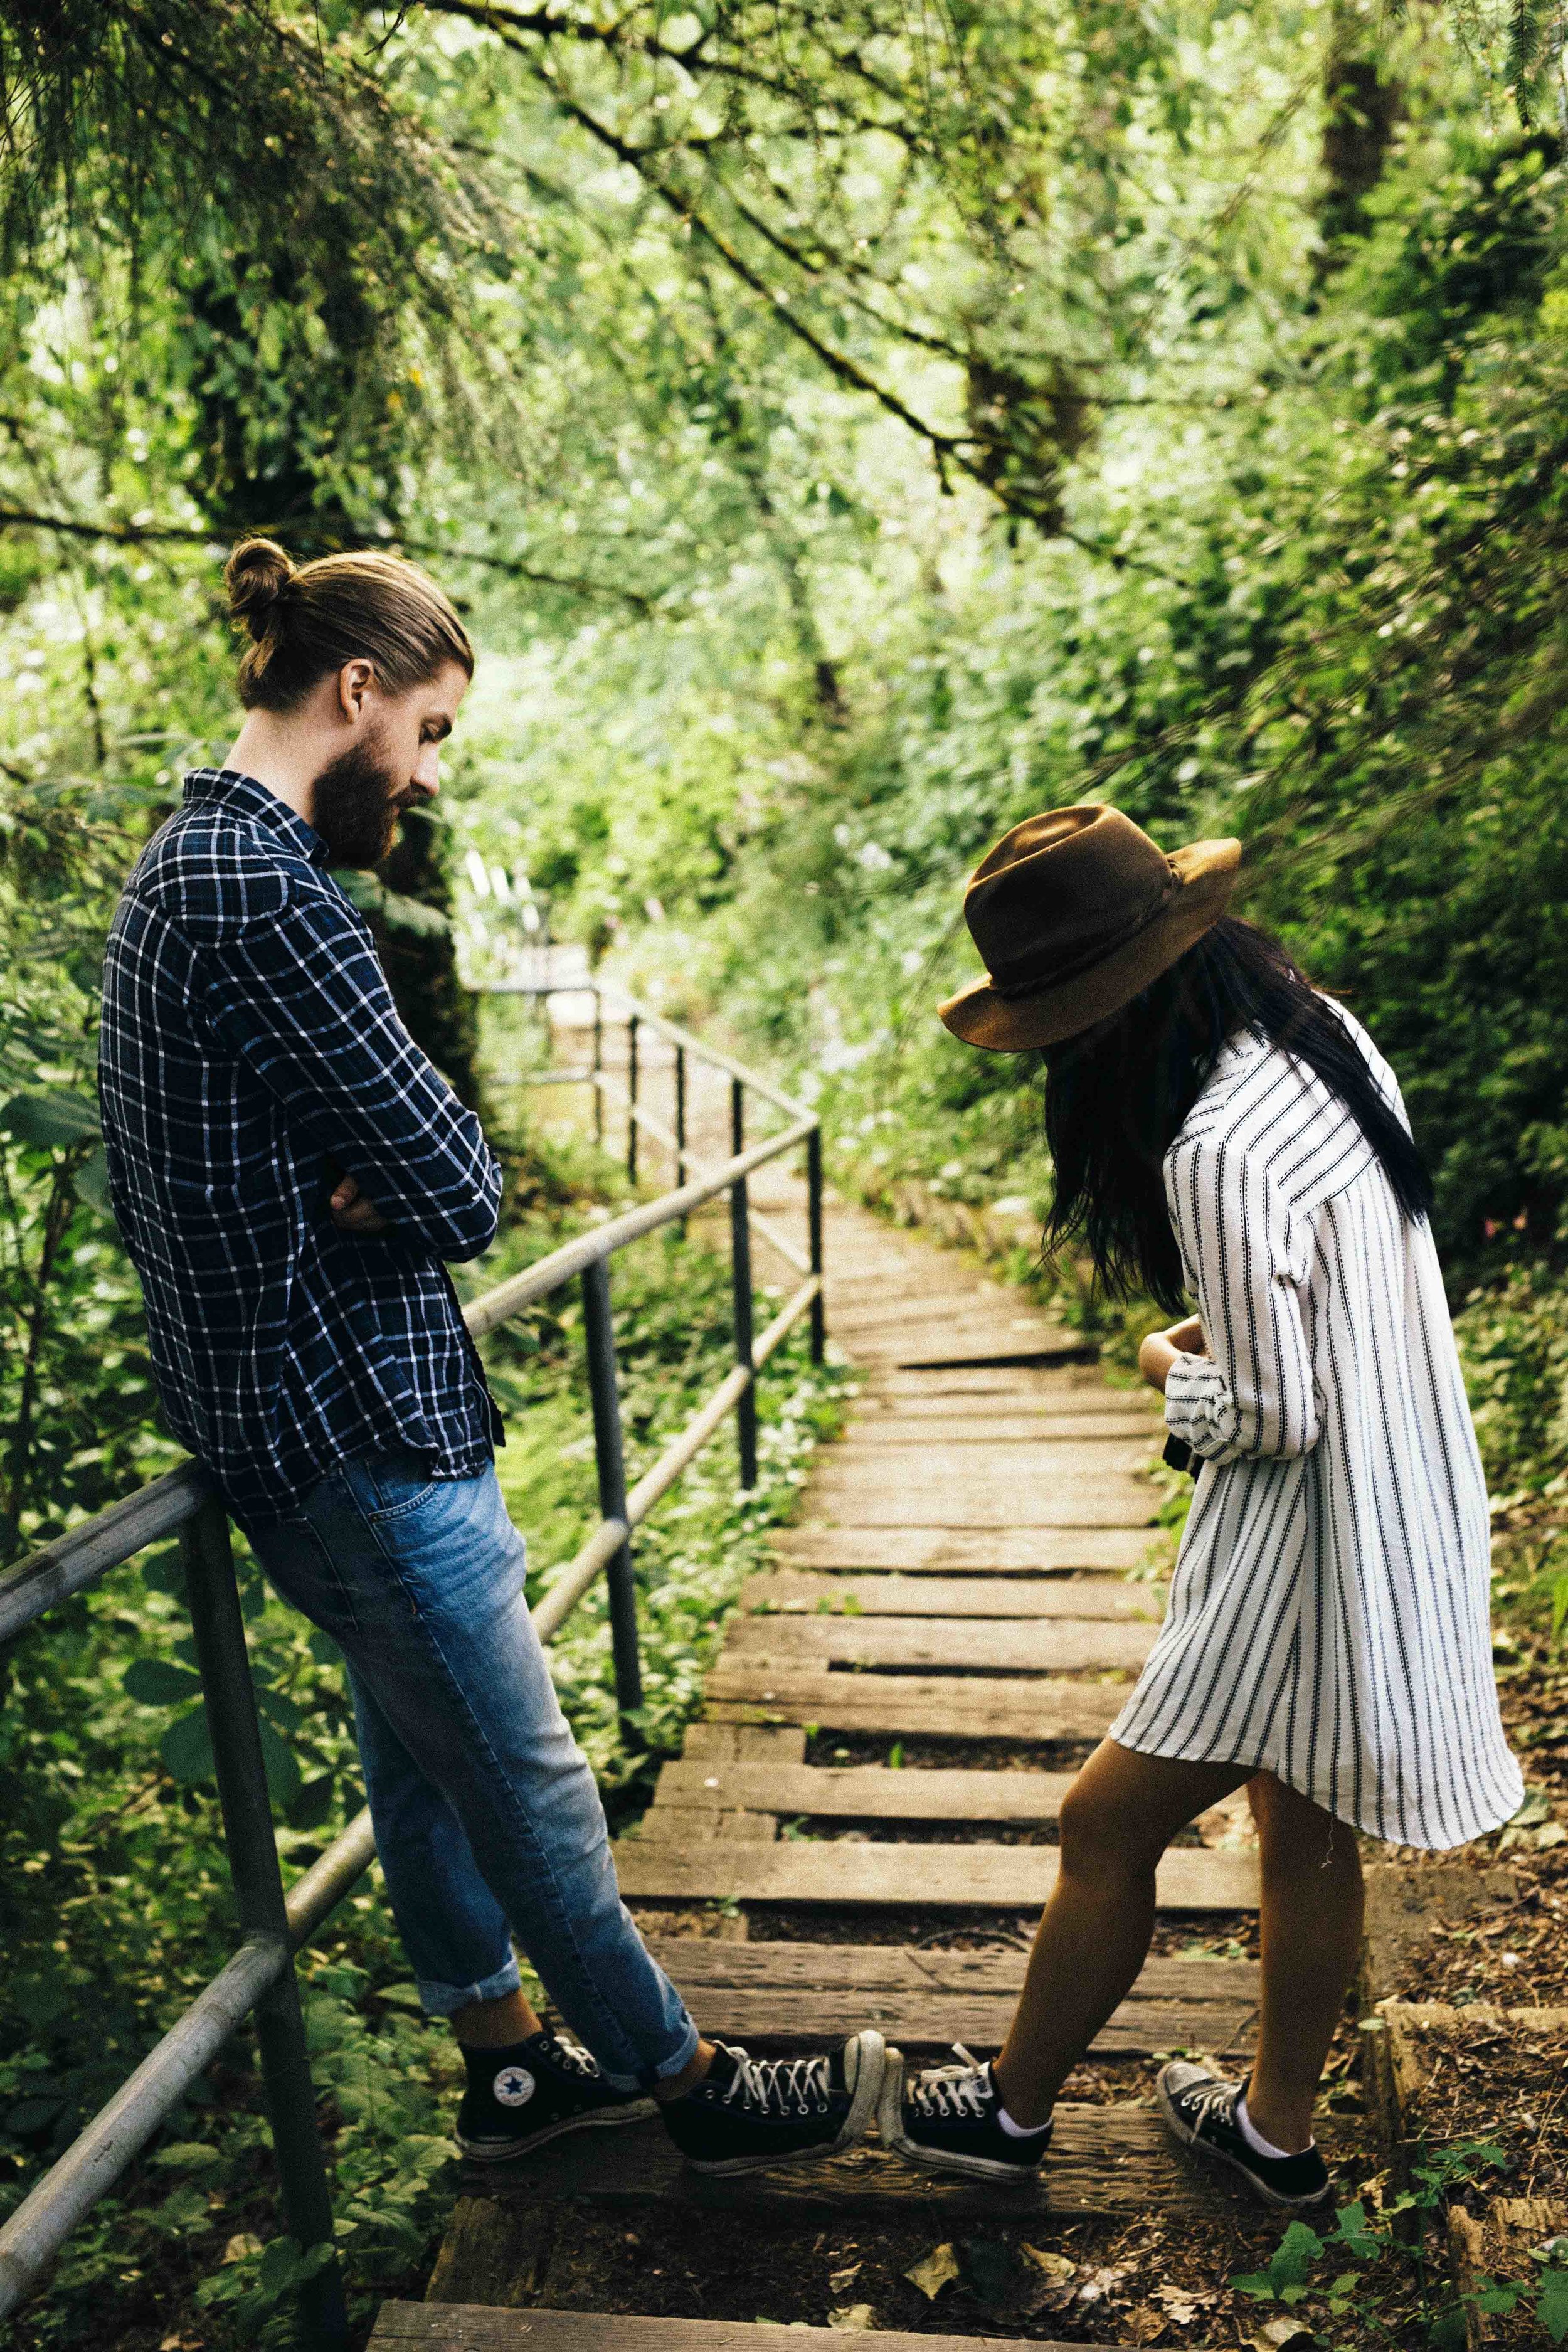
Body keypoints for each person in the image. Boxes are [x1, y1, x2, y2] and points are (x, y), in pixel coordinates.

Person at [98, 536, 883, 2175]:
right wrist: (377, 1183)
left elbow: (384, 1166)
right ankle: (689, 2080)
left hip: (308, 1407)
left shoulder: (190, 856)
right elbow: (460, 1183)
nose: (433, 772)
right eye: (433, 730)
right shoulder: (258, 887)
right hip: (354, 1418)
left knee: (427, 1759)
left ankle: (508, 2062)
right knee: (524, 1775)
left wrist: (343, 1183)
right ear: (358, 689)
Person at [875, 803, 1523, 2209]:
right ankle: (1273, 2139)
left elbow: (1277, 1412)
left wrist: (1171, 1372)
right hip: (1400, 1505)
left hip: (1298, 1547)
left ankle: (1006, 2112)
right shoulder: (1320, 1039)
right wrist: (1219, 1337)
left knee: (1103, 1826)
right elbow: (1341, 1294)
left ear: (1099, 1006)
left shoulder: (1210, 1145)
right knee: (1305, 1834)